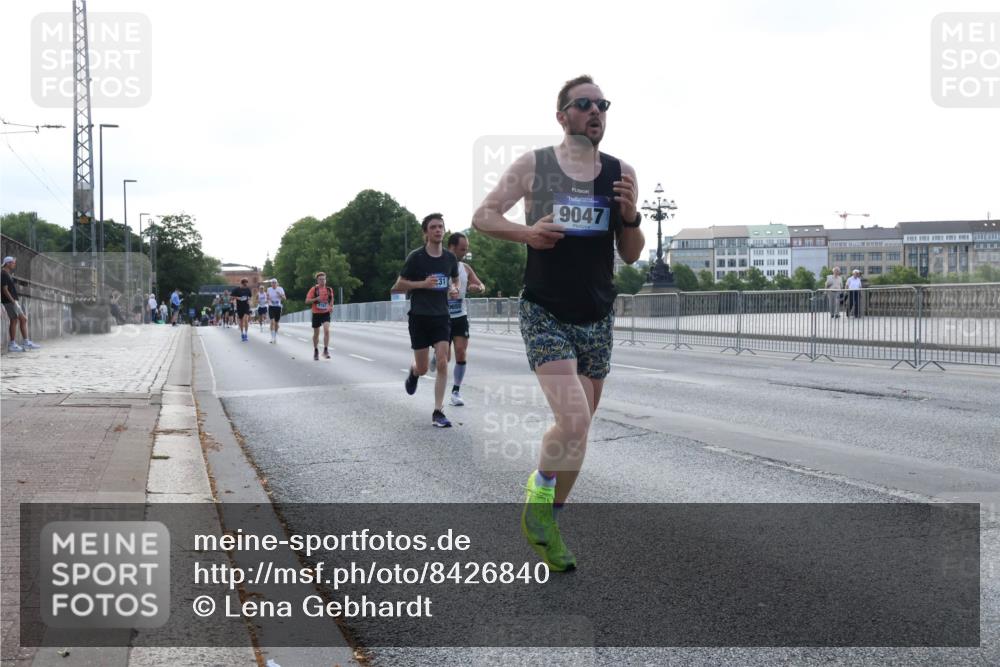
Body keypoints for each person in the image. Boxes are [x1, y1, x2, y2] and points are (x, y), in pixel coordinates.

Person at [472, 75, 644, 571]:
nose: (595, 111)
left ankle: (549, 520)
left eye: (602, 104)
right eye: (583, 103)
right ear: (562, 115)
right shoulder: (536, 165)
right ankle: (538, 497)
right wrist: (527, 233)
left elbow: (632, 254)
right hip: (545, 308)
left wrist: (631, 216)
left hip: (597, 315)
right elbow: (484, 216)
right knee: (574, 419)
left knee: (579, 431)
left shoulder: (621, 173)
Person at [392, 213, 460, 428]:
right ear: (426, 233)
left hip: (441, 316)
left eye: (441, 226)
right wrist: (422, 284)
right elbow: (398, 286)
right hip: (419, 317)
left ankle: (438, 411)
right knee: (422, 368)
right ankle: (414, 373)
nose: (438, 230)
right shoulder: (416, 257)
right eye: (433, 227)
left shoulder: (450, 258)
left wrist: (454, 288)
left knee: (442, 361)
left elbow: (454, 279)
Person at [444, 232, 486, 406]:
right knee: (444, 357)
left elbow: (481, 285)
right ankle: (436, 355)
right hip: (441, 316)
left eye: (466, 249)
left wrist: (478, 288)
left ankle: (456, 391)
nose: (465, 252)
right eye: (462, 249)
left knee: (461, 351)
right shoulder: (439, 265)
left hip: (460, 315)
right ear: (452, 247)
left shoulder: (465, 268)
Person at [2, 256, 40, 351]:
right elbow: (4, 290)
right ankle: (14, 344)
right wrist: (13, 301)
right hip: (10, 301)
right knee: (18, 319)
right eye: (13, 262)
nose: (14, 264)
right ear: (7, 263)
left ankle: (24, 342)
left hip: (12, 301)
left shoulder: (7, 274)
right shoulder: (3, 274)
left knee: (19, 320)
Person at [305, 272, 335, 360]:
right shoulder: (314, 289)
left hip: (325, 313)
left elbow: (331, 299)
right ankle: (316, 350)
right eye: (320, 279)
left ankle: (325, 350)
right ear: (317, 280)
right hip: (316, 313)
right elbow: (307, 301)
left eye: (324, 279)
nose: (322, 281)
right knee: (316, 334)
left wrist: (331, 306)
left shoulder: (329, 289)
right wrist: (315, 299)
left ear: (326, 280)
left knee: (327, 330)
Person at [266, 278, 286, 343]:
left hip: (278, 307)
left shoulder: (280, 289)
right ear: (271, 284)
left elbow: (284, 298)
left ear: (277, 283)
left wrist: (279, 294)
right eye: (272, 283)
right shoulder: (269, 289)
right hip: (271, 307)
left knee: (276, 323)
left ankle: (275, 336)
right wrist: (268, 299)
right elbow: (267, 297)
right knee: (272, 322)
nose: (274, 284)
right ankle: (272, 337)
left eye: (275, 283)